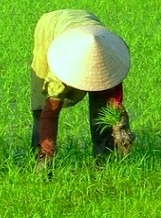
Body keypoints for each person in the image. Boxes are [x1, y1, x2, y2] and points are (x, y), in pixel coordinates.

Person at [30, 9, 135, 170]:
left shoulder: (109, 55)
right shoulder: (60, 70)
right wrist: (48, 151)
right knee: (41, 107)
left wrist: (119, 123)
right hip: (51, 26)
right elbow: (50, 114)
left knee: (104, 110)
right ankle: (40, 157)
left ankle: (105, 161)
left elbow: (114, 103)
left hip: (91, 29)